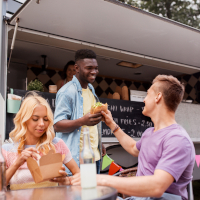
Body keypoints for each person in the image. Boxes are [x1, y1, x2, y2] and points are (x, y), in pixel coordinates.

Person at [71, 75, 195, 200]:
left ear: (158, 97)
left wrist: (99, 179)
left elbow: (157, 187)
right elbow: (133, 148)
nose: (144, 100)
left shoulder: (178, 139)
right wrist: (111, 124)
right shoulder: (149, 132)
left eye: (147, 94)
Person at [3, 92, 79, 190]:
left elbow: (78, 174)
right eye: (35, 119)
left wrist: (65, 181)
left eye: (46, 119)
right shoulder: (7, 149)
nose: (42, 124)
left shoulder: (57, 144)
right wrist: (17, 162)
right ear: (24, 119)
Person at [54, 49, 106, 175]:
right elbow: (57, 125)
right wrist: (82, 121)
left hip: (95, 157)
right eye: (89, 68)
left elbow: (90, 126)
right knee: (77, 195)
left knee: (93, 194)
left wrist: (99, 143)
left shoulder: (91, 90)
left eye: (96, 68)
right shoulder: (67, 92)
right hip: (77, 160)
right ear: (77, 68)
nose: (94, 72)